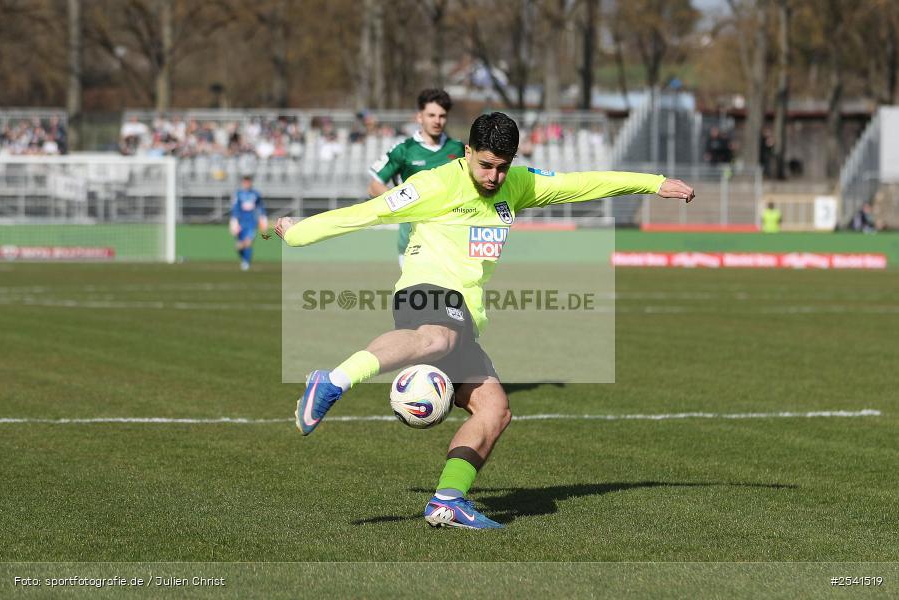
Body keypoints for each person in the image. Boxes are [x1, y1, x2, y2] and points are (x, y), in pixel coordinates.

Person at [270, 112, 695, 529]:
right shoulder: (436, 184)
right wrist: (299, 232)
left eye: (502, 167)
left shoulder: (519, 183)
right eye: (486, 165)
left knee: (494, 409)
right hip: (425, 289)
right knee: (436, 338)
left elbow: (581, 183)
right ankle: (332, 381)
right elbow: (370, 212)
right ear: (467, 152)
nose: (493, 177)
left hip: (465, 313)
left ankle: (447, 500)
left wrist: (653, 184)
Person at [367, 89, 465, 267]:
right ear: (419, 117)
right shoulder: (404, 149)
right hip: (412, 241)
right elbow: (374, 187)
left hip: (450, 239)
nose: (437, 121)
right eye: (431, 115)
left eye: (442, 116)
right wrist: (406, 202)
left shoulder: (458, 149)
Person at [229, 175, 268, 271]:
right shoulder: (238, 194)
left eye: (248, 182)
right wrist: (234, 221)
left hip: (251, 222)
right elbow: (235, 208)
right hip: (240, 222)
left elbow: (260, 208)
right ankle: (244, 260)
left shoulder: (255, 194)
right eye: (245, 182)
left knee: (248, 243)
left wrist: (263, 219)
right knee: (239, 246)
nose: (247, 184)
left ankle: (246, 262)